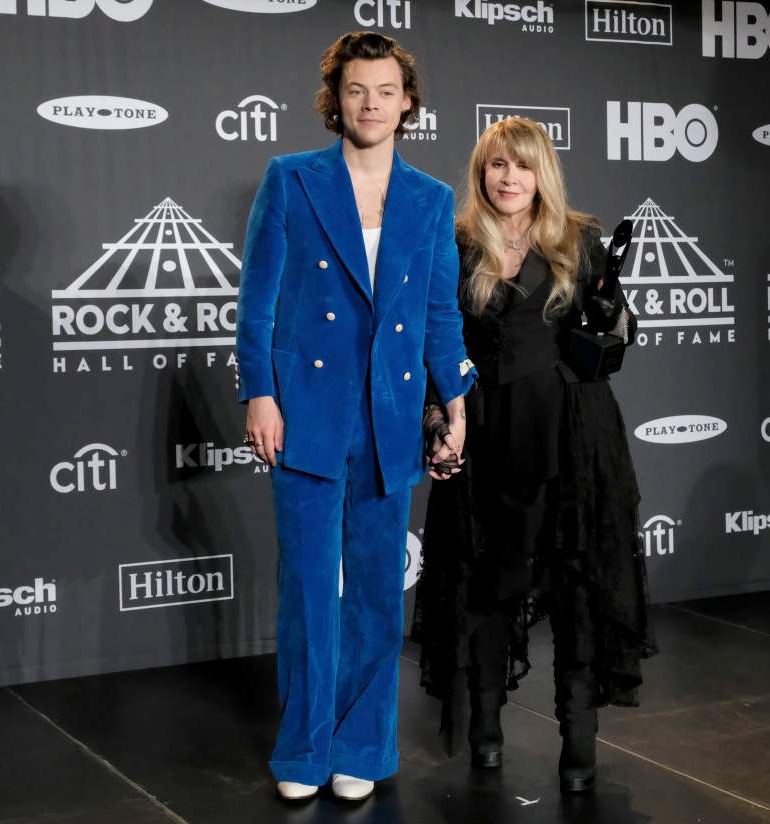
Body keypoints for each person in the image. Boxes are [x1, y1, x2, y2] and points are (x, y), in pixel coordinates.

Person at [235, 31, 475, 802]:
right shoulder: (291, 179)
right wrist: (260, 393)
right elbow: (256, 302)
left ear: (408, 103)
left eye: (385, 91)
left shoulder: (430, 200)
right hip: (305, 411)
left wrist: (455, 404)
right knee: (310, 586)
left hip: (390, 417)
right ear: (335, 100)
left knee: (375, 589)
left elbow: (439, 314)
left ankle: (363, 748)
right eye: (356, 90)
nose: (370, 104)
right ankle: (304, 750)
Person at [412, 117, 656, 794]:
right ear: (480, 172)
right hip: (484, 436)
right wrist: (436, 422)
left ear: (541, 173)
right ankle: (485, 735)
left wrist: (612, 311)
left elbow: (617, 339)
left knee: (577, 587)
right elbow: (434, 345)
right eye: (497, 164)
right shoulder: (455, 243)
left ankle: (578, 747)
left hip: (570, 438)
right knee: (487, 586)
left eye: (521, 165)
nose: (509, 177)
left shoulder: (579, 239)